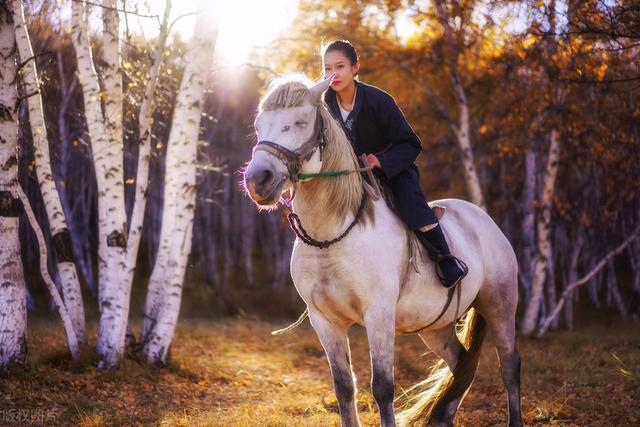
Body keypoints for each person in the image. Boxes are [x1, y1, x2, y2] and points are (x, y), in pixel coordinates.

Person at [321, 39, 466, 288]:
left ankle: (445, 259)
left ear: (355, 67)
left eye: (340, 66)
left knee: (410, 204)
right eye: (326, 68)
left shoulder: (379, 100)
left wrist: (382, 161)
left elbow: (411, 143)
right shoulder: (324, 104)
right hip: (348, 174)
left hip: (391, 170)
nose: (333, 74)